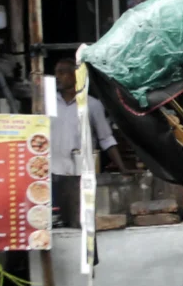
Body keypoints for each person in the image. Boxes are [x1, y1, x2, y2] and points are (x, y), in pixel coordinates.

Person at [51, 58, 131, 228]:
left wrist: (122, 168)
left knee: (77, 223)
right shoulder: (49, 103)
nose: (57, 77)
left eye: (62, 72)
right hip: (50, 172)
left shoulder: (92, 105)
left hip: (78, 175)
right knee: (54, 222)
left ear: (76, 76)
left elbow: (106, 138)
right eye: (56, 73)